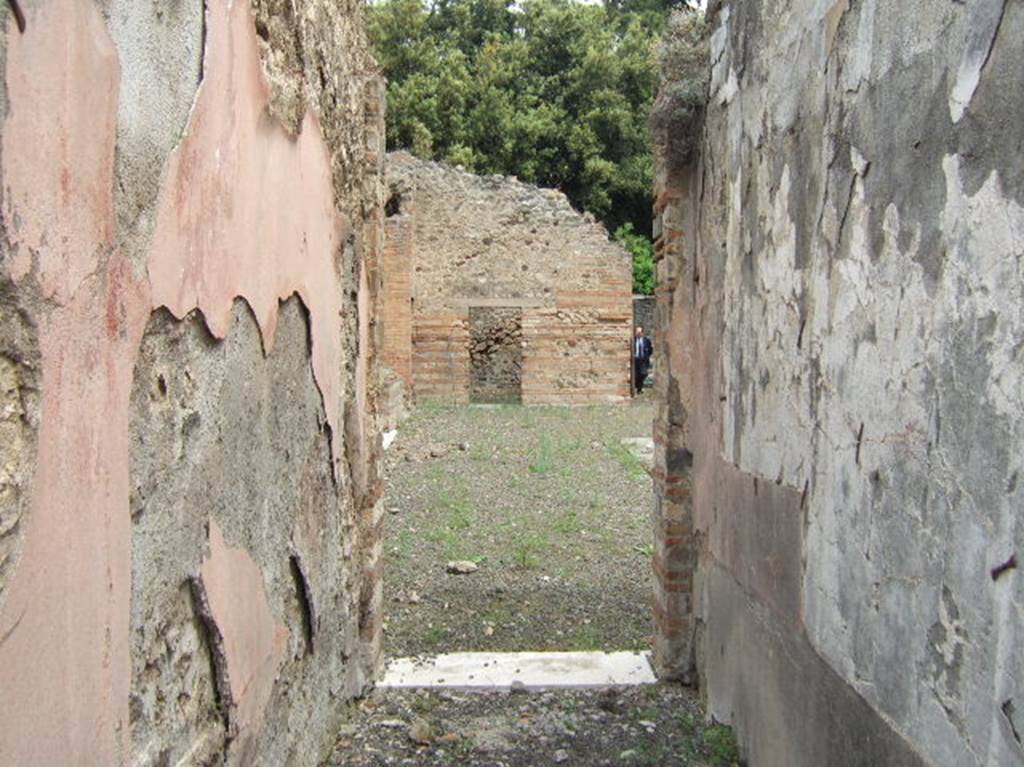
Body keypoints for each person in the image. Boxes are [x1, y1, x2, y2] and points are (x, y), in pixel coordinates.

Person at [633, 325, 653, 394]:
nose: (638, 333)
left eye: (640, 332)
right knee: (636, 375)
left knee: (644, 374)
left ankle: (638, 386)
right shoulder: (633, 340)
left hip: (644, 360)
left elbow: (650, 350)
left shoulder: (646, 340)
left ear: (642, 333)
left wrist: (646, 356)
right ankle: (639, 389)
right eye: (637, 332)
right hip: (636, 360)